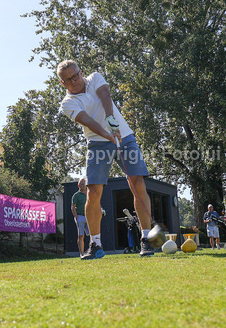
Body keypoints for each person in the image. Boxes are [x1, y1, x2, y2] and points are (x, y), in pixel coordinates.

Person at [56, 60, 163, 259]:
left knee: (137, 182)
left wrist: (111, 120)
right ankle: (95, 244)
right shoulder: (67, 103)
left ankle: (146, 239)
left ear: (81, 71)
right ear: (63, 84)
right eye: (68, 80)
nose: (74, 81)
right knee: (93, 191)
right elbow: (86, 120)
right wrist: (107, 134)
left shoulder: (95, 77)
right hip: (97, 143)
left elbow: (105, 95)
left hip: (125, 137)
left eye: (76, 75)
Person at [70, 177, 89, 258]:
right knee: (81, 236)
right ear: (78, 185)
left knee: (92, 234)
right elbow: (73, 207)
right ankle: (81, 253)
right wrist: (76, 217)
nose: (82, 185)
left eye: (83, 184)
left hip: (89, 217)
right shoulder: (76, 195)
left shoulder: (89, 193)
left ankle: (92, 250)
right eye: (80, 184)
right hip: (80, 216)